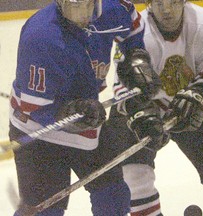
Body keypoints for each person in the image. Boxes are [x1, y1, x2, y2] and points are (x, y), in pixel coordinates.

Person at [8, 0, 161, 215]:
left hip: (88, 118)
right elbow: (35, 107)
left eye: (87, 5)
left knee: (114, 197)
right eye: (74, 6)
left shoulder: (113, 9)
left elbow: (132, 27)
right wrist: (70, 113)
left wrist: (136, 57)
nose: (82, 15)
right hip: (37, 130)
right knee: (46, 211)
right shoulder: (40, 36)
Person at [110, 0, 203, 215]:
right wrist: (137, 109)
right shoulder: (136, 35)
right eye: (159, 4)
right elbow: (122, 87)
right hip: (144, 106)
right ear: (149, 4)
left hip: (189, 99)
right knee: (133, 173)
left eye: (174, 2)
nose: (167, 10)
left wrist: (201, 94)